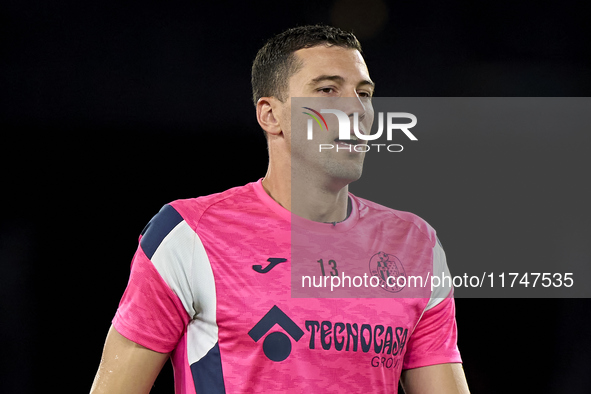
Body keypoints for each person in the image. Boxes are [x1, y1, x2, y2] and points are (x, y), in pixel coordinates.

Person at [90, 25, 470, 394]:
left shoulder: (415, 244)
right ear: (271, 116)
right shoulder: (189, 234)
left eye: (364, 94)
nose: (356, 109)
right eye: (327, 89)